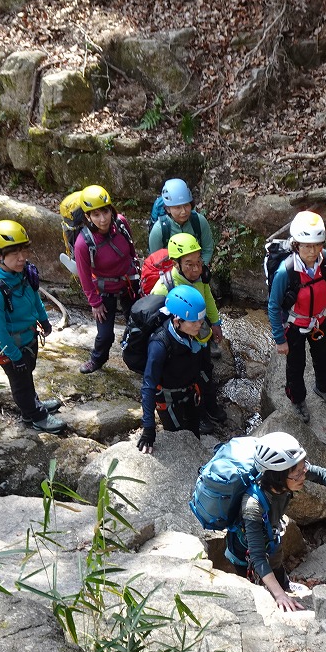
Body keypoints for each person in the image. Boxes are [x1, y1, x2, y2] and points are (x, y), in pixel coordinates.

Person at [226, 432, 326, 612]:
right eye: (298, 474)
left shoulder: (290, 474)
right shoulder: (253, 505)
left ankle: (285, 585)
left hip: (271, 534)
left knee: (276, 560)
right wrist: (279, 596)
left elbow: (321, 475)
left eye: (303, 468)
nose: (303, 476)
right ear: (277, 477)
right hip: (244, 552)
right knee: (257, 586)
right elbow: (257, 557)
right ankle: (277, 591)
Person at [0, 220, 65, 433]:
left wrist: (44, 319)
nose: (22, 258)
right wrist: (15, 357)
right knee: (20, 383)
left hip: (28, 337)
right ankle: (37, 417)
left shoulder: (22, 273)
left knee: (26, 377)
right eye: (14, 253)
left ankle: (31, 407)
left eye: (24, 251)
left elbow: (34, 296)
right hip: (9, 347)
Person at [267, 210, 326, 424]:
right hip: (295, 325)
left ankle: (324, 388)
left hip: (320, 321)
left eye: (317, 245)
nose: (312, 251)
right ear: (296, 245)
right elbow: (274, 306)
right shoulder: (286, 272)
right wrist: (280, 338)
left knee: (323, 357)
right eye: (306, 246)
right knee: (296, 364)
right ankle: (297, 399)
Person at [150, 233, 227, 427]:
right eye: (189, 264)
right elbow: (155, 324)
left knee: (206, 371)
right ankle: (199, 415)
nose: (196, 269)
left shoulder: (200, 278)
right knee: (190, 379)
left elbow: (207, 298)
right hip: (180, 347)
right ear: (176, 264)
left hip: (200, 336)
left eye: (199, 262)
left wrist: (215, 323)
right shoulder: (163, 288)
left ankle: (210, 406)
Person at [137, 285, 212, 453]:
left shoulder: (196, 330)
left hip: (190, 391)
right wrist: (148, 428)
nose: (199, 325)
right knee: (179, 441)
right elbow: (148, 386)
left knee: (194, 434)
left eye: (201, 320)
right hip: (168, 399)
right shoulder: (159, 344)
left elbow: (204, 364)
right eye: (194, 322)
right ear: (177, 321)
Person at [74, 184, 140, 374]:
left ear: (111, 209)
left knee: (137, 322)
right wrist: (94, 303)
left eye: (105, 212)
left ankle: (135, 353)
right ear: (88, 216)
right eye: (96, 214)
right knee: (105, 335)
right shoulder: (83, 244)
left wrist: (138, 271)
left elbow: (131, 248)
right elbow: (85, 276)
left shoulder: (121, 223)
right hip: (105, 289)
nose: (102, 219)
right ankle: (97, 359)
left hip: (129, 282)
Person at [147, 178, 214, 267]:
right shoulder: (159, 230)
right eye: (177, 207)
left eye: (186, 205)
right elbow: (155, 260)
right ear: (168, 209)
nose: (184, 211)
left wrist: (198, 268)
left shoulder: (199, 221)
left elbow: (207, 249)